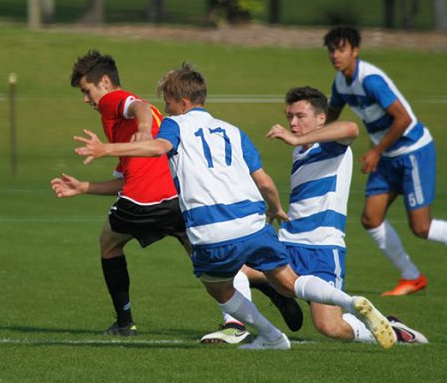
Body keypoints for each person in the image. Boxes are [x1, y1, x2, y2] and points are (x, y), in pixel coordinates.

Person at [73, 62, 396, 350]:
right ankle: (351, 301)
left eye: (169, 103)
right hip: (254, 224)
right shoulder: (233, 130)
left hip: (212, 228)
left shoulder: (175, 125)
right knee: (288, 281)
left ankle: (269, 336)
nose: (166, 110)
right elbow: (266, 182)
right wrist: (274, 209)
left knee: (219, 287)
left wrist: (106, 149)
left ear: (183, 103)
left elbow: (157, 145)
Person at [51, 50, 295, 340]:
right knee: (215, 266)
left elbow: (139, 106)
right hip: (177, 200)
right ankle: (267, 283)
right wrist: (84, 187)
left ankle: (124, 322)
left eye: (87, 90)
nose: (86, 99)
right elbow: (126, 179)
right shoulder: (123, 120)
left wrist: (143, 129)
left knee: (108, 243)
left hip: (145, 200)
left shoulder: (112, 101)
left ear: (104, 82)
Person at [230, 86, 426, 345]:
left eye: (300, 116)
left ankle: (393, 330)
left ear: (321, 119)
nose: (293, 122)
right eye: (289, 116)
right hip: (289, 242)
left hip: (322, 246)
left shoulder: (331, 146)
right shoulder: (300, 150)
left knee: (330, 327)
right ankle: (250, 328)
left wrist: (295, 138)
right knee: (234, 269)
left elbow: (352, 129)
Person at [324, 26, 447, 296]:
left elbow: (403, 119)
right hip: (387, 154)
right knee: (371, 218)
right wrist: (309, 138)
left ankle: (413, 276)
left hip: (412, 151)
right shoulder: (340, 83)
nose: (335, 55)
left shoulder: (370, 80)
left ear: (354, 51)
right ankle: (411, 276)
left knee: (421, 227)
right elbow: (331, 114)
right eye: (332, 50)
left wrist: (376, 152)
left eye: (341, 49)